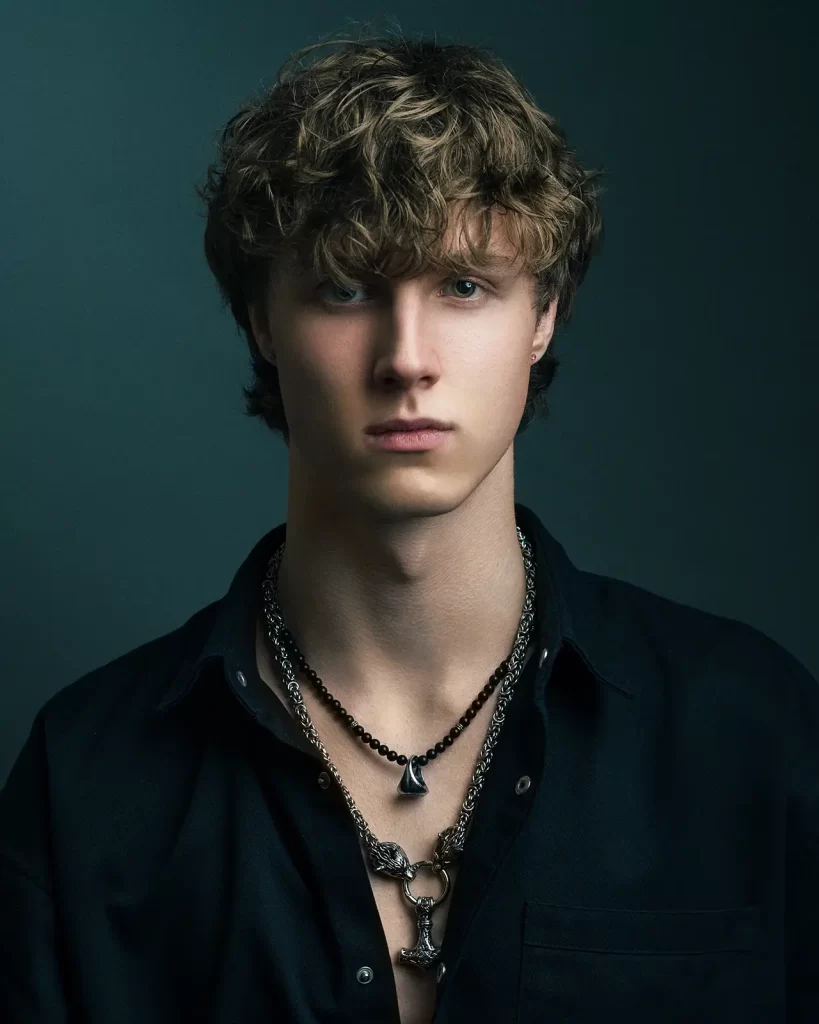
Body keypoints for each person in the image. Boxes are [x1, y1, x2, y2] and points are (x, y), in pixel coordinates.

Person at [1, 29, 816, 1024]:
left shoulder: (751, 732)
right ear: (262, 320)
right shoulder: (88, 778)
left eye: (464, 285)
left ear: (544, 314)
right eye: (345, 287)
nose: (407, 358)